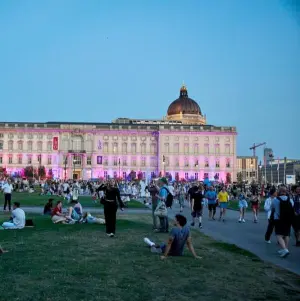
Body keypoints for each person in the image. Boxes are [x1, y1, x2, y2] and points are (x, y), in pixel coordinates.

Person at [271, 187, 294, 258]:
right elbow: (292, 207)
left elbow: (272, 207)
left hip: (278, 219)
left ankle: (284, 249)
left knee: (279, 235)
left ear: (279, 192)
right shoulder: (290, 200)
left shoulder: (275, 200)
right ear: (285, 192)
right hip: (288, 219)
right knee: (286, 234)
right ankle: (285, 248)